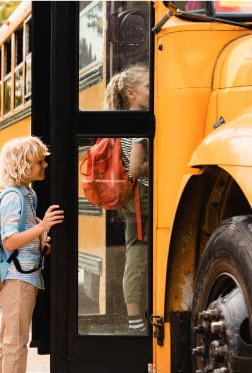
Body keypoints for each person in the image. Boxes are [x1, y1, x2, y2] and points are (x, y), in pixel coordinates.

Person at [0, 136, 64, 373]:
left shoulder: (26, 194)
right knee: (15, 342)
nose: (45, 165)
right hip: (18, 279)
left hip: (23, 274)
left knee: (8, 340)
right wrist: (43, 227)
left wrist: (41, 242)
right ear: (23, 164)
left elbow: (22, 237)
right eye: (39, 161)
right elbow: (9, 241)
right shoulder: (13, 197)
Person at [105, 64, 150, 333]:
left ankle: (136, 315)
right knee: (137, 255)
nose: (152, 91)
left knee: (136, 252)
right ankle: (135, 319)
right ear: (132, 94)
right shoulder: (139, 123)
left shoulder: (126, 120)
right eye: (147, 87)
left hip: (133, 197)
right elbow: (135, 168)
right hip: (142, 195)